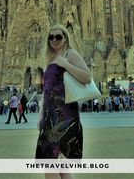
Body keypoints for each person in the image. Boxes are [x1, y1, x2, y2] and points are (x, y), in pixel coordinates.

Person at [35, 24, 91, 179]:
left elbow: (87, 77)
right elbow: (46, 91)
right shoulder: (50, 59)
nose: (54, 40)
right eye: (51, 37)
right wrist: (40, 116)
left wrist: (65, 64)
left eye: (58, 36)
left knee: (51, 165)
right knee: (61, 167)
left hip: (65, 118)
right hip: (49, 118)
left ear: (65, 38)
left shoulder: (70, 54)